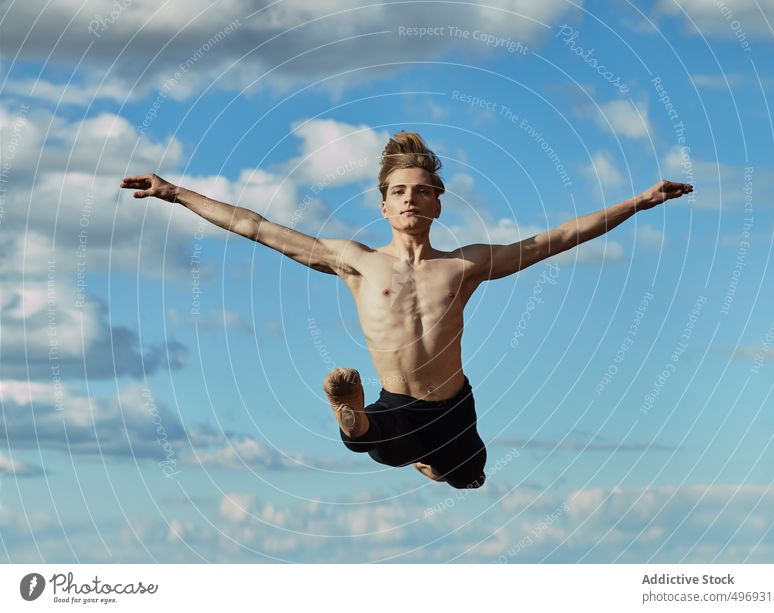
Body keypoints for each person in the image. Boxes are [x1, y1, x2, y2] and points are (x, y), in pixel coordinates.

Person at [120, 131, 693, 489]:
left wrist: (640, 200)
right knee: (375, 436)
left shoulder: (465, 266)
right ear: (384, 204)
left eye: (422, 190)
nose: (411, 197)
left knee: (470, 477)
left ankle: (428, 462)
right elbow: (256, 226)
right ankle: (348, 407)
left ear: (438, 203)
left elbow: (559, 237)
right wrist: (175, 192)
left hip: (452, 406)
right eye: (399, 191)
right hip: (394, 403)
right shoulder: (355, 261)